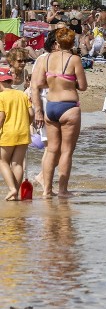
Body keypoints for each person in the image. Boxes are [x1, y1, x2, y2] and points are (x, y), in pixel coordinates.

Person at [30, 27, 87, 198]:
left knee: (52, 150)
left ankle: (47, 190)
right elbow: (83, 86)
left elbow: (38, 83)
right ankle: (63, 190)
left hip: (51, 107)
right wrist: (69, 83)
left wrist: (54, 82)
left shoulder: (44, 59)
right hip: (68, 106)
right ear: (71, 42)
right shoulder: (74, 59)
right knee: (67, 151)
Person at [0, 67, 33, 201]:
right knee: (17, 164)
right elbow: (31, 114)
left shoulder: (1, 97)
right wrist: (26, 124)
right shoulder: (22, 94)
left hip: (8, 133)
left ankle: (12, 189)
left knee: (2, 161)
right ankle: (15, 194)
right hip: (23, 132)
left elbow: (1, 118)